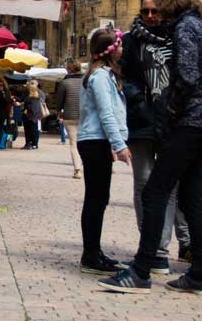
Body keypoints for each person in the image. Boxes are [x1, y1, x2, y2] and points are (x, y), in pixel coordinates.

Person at [99, 0, 202, 296]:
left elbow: (188, 77)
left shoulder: (184, 28)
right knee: (191, 195)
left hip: (190, 122)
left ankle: (141, 270)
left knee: (155, 191)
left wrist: (171, 110)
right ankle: (199, 273)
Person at [119, 0, 190, 272]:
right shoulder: (131, 40)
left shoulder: (176, 36)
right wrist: (138, 101)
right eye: (145, 10)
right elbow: (126, 76)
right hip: (142, 120)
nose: (150, 15)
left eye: (155, 10)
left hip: (171, 118)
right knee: (143, 183)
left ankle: (159, 247)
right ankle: (149, 245)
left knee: (168, 185)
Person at [76, 27, 133, 275]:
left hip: (98, 142)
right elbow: (106, 112)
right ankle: (90, 254)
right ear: (111, 50)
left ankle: (94, 251)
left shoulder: (105, 75)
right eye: (119, 45)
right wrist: (119, 144)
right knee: (96, 199)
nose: (123, 49)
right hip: (94, 141)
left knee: (99, 199)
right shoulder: (99, 77)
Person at [55, 62, 86, 177]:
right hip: (85, 116)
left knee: (73, 143)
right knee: (85, 142)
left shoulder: (64, 83)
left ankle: (77, 169)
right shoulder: (86, 81)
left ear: (68, 70)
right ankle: (85, 165)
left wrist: (59, 111)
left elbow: (59, 101)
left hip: (69, 116)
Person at [23, 82, 46, 150]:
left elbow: (30, 108)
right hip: (35, 116)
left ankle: (31, 143)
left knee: (29, 130)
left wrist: (24, 109)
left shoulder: (30, 98)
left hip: (29, 116)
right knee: (34, 130)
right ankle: (34, 144)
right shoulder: (37, 98)